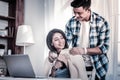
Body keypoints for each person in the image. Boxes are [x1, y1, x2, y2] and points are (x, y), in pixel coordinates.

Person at [65, 0, 110, 80]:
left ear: (88, 10)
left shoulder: (101, 23)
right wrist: (55, 52)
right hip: (77, 65)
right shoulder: (71, 22)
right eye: (74, 12)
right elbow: (65, 44)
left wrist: (84, 50)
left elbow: (104, 48)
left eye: (79, 13)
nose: (76, 16)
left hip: (98, 65)